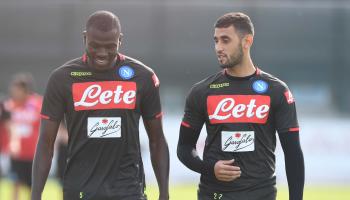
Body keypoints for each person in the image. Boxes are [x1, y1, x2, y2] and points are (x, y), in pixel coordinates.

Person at [31, 10, 169, 200]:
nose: (102, 53)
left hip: (128, 190)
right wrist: (35, 194)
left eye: (110, 46)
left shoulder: (144, 77)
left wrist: (164, 192)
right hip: (78, 190)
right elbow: (46, 144)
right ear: (84, 38)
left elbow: (157, 140)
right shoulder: (61, 78)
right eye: (95, 45)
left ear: (120, 40)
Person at [177, 12, 304, 200]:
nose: (218, 47)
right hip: (213, 194)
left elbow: (293, 153)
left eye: (225, 40)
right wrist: (210, 168)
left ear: (247, 41)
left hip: (262, 194)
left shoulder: (277, 91)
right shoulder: (201, 91)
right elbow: (184, 147)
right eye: (216, 40)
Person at [5, 73, 42, 200]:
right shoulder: (9, 105)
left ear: (24, 89)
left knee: (33, 186)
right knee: (15, 184)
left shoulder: (38, 104)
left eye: (16, 89)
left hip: (34, 154)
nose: (13, 92)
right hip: (17, 154)